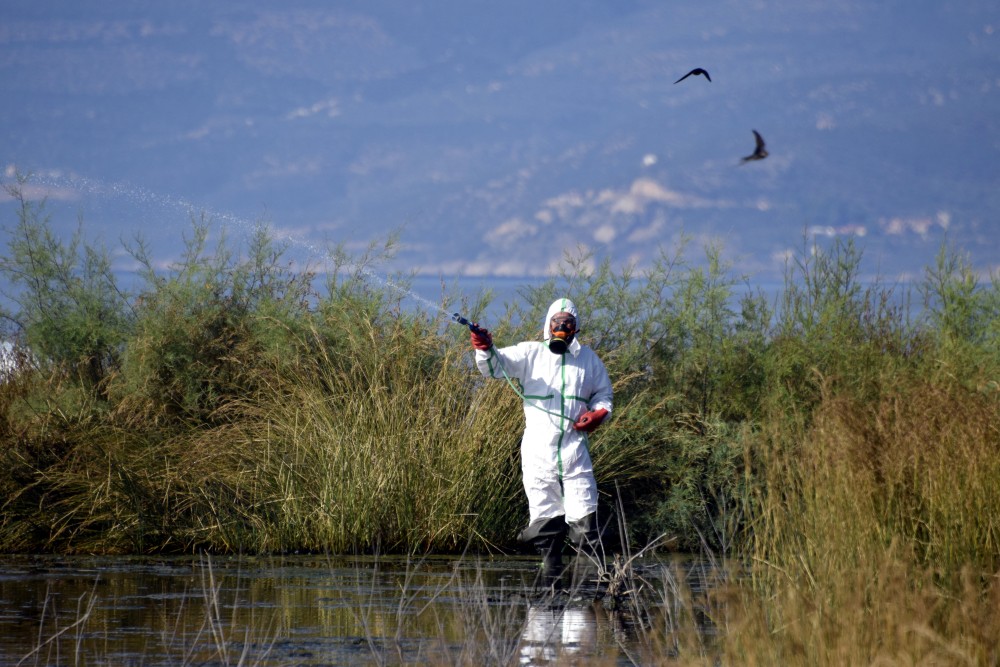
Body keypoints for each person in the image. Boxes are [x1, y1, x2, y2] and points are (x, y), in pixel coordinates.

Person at [470, 298, 613, 588]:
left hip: (575, 449)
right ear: (548, 325)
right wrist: (484, 347)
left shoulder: (588, 359)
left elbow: (604, 395)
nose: (562, 327)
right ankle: (549, 586)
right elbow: (495, 368)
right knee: (545, 520)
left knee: (585, 520)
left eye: (568, 323)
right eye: (557, 322)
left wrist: (597, 415)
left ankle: (589, 594)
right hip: (538, 450)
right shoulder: (530, 353)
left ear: (575, 327)